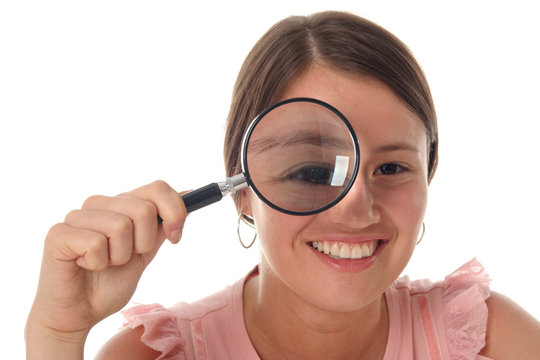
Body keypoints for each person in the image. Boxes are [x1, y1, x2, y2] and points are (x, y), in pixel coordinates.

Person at [25, 11, 539, 360]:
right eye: (312, 172)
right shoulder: (155, 355)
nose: (358, 209)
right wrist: (56, 333)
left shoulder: (488, 338)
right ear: (243, 189)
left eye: (391, 169)